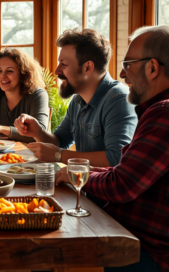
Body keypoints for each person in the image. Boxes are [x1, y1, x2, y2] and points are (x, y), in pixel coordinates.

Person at [56, 25, 169, 271]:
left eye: (128, 64)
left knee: (51, 249)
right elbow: (123, 173)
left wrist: (74, 173)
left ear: (152, 68)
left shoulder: (163, 113)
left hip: (143, 250)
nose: (121, 72)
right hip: (121, 231)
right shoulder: (154, 111)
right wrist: (71, 172)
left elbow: (121, 185)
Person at [14, 28, 137, 167]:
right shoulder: (78, 100)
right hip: (82, 186)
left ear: (87, 67)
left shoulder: (118, 99)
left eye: (64, 64)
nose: (56, 71)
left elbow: (117, 158)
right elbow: (60, 141)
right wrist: (38, 133)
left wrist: (58, 155)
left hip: (103, 188)